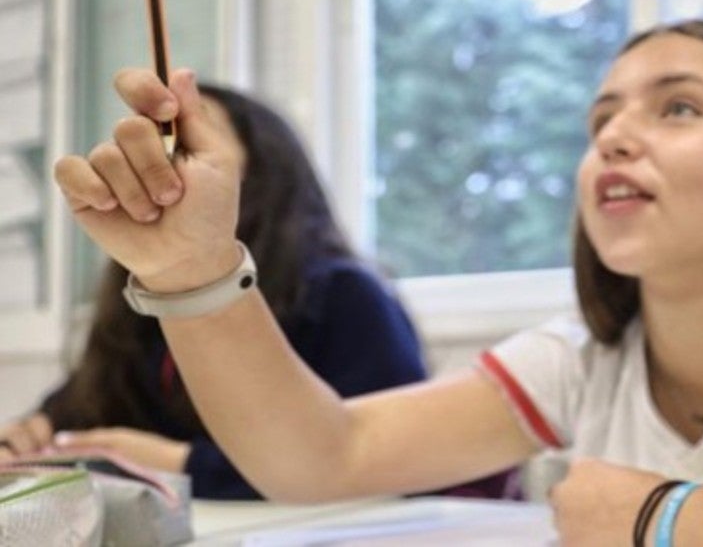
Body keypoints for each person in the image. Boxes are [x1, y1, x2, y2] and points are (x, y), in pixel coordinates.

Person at [52, 20, 703, 544]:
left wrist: (662, 519)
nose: (618, 136)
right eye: (601, 122)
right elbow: (326, 454)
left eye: (677, 108)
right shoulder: (580, 363)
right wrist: (192, 275)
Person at [1, 84, 509, 500]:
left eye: (189, 136)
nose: (155, 156)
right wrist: (31, 438)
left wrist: (178, 464)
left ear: (262, 164)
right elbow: (76, 412)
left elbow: (380, 465)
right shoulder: (135, 306)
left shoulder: (343, 295)